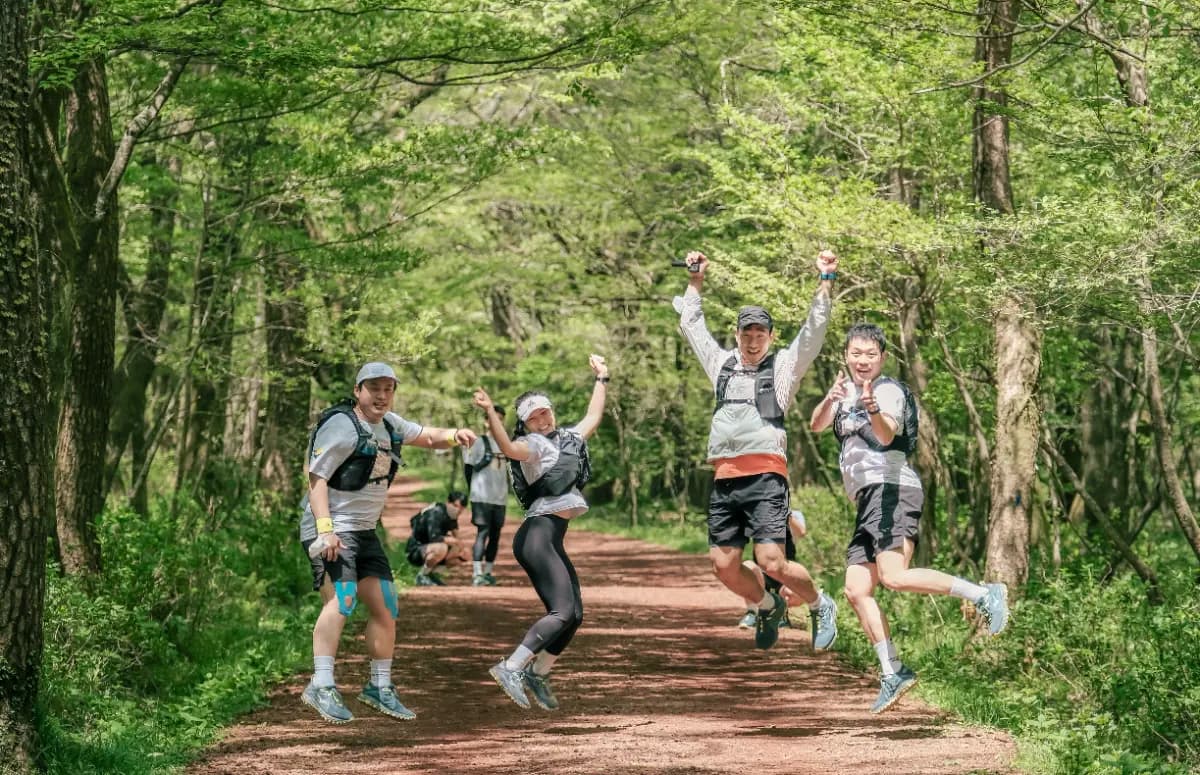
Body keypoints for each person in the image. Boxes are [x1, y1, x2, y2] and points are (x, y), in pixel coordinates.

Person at [810, 323, 1010, 714]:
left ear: (882, 358)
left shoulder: (887, 391)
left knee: (895, 576)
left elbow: (885, 436)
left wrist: (869, 407)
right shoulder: (845, 390)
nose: (862, 360)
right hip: (868, 497)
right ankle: (893, 671)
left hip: (892, 488)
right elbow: (817, 424)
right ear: (846, 356)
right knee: (855, 588)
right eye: (856, 353)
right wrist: (829, 399)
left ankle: (985, 595)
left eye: (870, 354)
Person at [675, 249, 839, 652]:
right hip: (725, 477)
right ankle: (767, 606)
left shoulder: (783, 366)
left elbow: (813, 333)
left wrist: (824, 281)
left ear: (770, 336)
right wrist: (695, 282)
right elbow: (692, 326)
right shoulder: (721, 365)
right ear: (736, 334)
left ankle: (821, 604)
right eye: (746, 332)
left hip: (766, 476)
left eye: (759, 333)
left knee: (772, 562)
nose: (752, 339)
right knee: (724, 566)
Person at [298, 362, 477, 725]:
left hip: (364, 531)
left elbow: (427, 436)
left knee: (386, 606)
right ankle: (321, 683)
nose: (381, 396)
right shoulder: (342, 425)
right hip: (331, 528)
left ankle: (378, 687)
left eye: (388, 389)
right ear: (358, 389)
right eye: (374, 388)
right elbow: (315, 478)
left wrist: (455, 434)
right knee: (342, 599)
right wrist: (325, 528)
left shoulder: (391, 424)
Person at [471, 354, 609, 712]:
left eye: (545, 412)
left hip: (550, 536)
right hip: (536, 536)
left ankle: (540, 672)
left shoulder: (569, 437)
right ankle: (511, 667)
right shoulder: (532, 447)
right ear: (526, 424)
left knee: (575, 614)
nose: (542, 419)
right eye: (534, 417)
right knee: (561, 612)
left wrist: (602, 379)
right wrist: (490, 414)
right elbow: (507, 448)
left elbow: (594, 416)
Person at [736, 508, 807, 631]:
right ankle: (752, 612)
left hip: (784, 573)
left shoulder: (795, 514)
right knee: (748, 566)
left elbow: (801, 532)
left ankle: (780, 613)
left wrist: (785, 514)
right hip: (762, 574)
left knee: (795, 589)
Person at [464, 406, 510, 586]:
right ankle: (477, 573)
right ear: (486, 421)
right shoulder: (478, 442)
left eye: (500, 419)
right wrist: (472, 490)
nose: (496, 422)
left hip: (500, 496)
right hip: (481, 496)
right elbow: (468, 467)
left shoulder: (506, 443)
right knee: (482, 532)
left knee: (496, 534)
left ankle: (489, 572)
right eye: (493, 418)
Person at [406, 492, 469, 586]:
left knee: (459, 555)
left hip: (430, 548)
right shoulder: (436, 512)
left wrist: (463, 550)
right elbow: (435, 537)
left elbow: (457, 537)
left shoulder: (451, 515)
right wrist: (456, 542)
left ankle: (431, 575)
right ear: (448, 502)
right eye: (456, 506)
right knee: (441, 548)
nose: (458, 510)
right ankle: (422, 575)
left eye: (461, 509)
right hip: (416, 551)